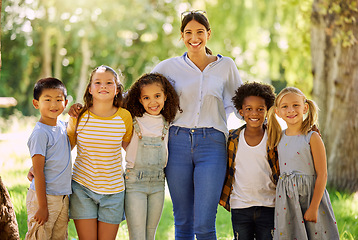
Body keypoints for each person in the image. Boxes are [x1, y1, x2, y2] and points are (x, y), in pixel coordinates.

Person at [151, 10, 243, 239]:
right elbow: (141, 94)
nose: (194, 37)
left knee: (204, 224)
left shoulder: (226, 66)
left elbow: (239, 104)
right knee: (182, 221)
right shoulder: (167, 67)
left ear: (208, 34)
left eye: (200, 32)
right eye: (189, 32)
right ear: (182, 36)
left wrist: (268, 121)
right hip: (177, 142)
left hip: (212, 144)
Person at [67, 65, 133, 240]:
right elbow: (66, 147)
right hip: (82, 187)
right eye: (98, 82)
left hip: (114, 191)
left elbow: (131, 149)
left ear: (117, 89)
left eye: (109, 83)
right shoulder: (79, 115)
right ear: (90, 88)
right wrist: (38, 167)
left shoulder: (125, 117)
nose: (103, 86)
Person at [267, 87, 339, 239]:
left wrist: (313, 207)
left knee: (316, 234)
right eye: (285, 106)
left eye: (295, 105)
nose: (290, 110)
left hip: (311, 196)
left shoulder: (312, 137)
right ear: (278, 112)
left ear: (305, 107)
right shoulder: (279, 137)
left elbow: (322, 174)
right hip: (287, 198)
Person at [122, 73, 180, 240]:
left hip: (157, 184)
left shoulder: (168, 121)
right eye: (146, 97)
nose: (153, 102)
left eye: (157, 96)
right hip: (135, 183)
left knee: (150, 235)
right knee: (138, 235)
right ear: (139, 100)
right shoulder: (133, 120)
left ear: (166, 96)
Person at [219, 82, 279, 240]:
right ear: (241, 112)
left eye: (260, 109)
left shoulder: (274, 138)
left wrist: (309, 131)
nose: (255, 113)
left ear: (267, 111)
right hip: (240, 206)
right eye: (249, 109)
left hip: (269, 205)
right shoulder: (232, 138)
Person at [25, 77, 71, 240]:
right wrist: (43, 206)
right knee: (40, 236)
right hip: (43, 198)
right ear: (36, 103)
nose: (54, 104)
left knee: (59, 237)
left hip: (62, 197)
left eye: (58, 100)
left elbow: (63, 149)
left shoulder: (62, 127)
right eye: (47, 99)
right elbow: (38, 172)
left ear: (65, 103)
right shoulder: (40, 134)